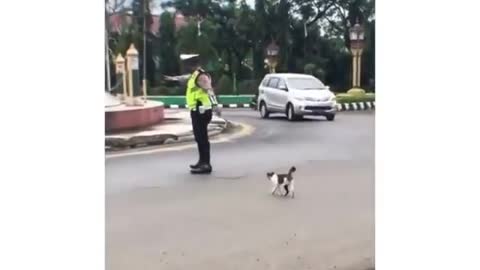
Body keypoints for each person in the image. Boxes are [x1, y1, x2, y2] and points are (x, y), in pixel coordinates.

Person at [168, 54, 221, 174]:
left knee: (202, 138)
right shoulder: (194, 76)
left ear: (192, 64)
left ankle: (206, 164)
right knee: (199, 138)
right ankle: (201, 161)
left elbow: (209, 90)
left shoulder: (201, 76)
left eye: (187, 64)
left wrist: (215, 105)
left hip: (201, 110)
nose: (185, 66)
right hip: (196, 110)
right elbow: (183, 78)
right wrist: (172, 79)